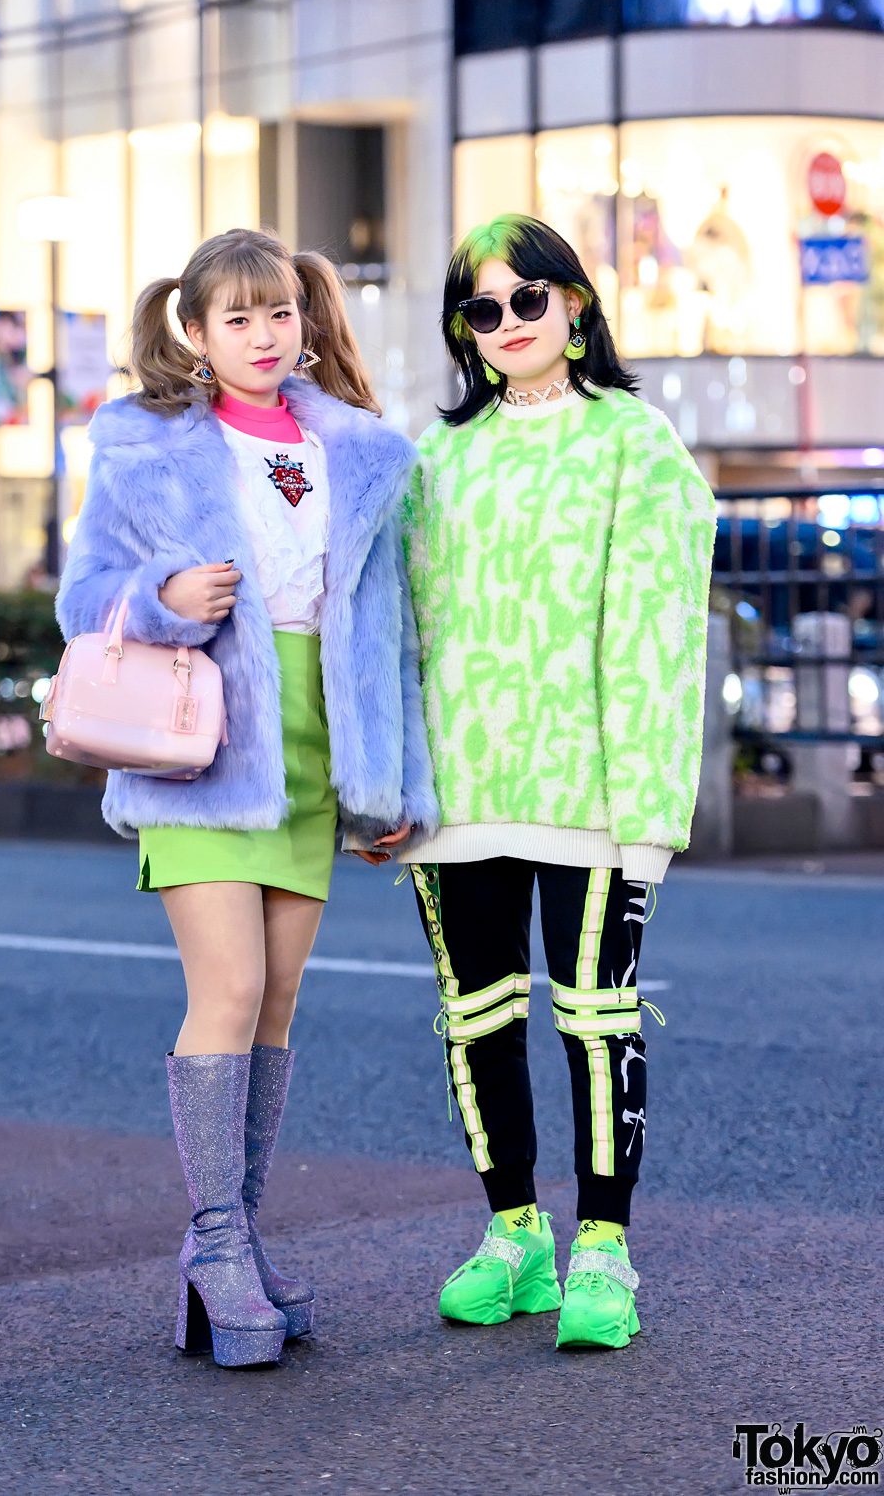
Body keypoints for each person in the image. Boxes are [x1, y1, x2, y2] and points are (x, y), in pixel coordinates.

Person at [56, 228, 437, 1368]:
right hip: (199, 751)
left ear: (306, 319)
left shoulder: (361, 451)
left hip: (320, 754)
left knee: (274, 1004)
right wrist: (164, 596)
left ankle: (235, 1245)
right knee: (225, 989)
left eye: (279, 314)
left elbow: (388, 631)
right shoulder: (147, 447)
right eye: (237, 318)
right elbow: (82, 600)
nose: (264, 336)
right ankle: (218, 1247)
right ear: (197, 331)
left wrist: (394, 781)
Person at [397, 214, 715, 1350]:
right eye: (483, 309)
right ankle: (515, 1231)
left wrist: (648, 815)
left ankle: (603, 1251)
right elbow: (402, 629)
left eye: (528, 299)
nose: (509, 324)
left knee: (596, 1017)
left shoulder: (637, 444)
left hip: (591, 789)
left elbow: (656, 636)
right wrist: (390, 785)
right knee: (474, 1018)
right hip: (457, 790)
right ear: (465, 333)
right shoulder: (436, 456)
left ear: (575, 304)